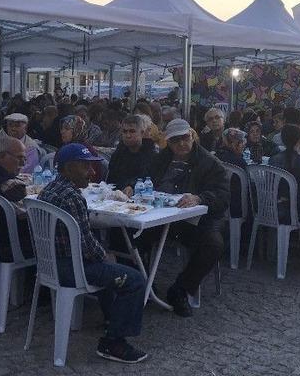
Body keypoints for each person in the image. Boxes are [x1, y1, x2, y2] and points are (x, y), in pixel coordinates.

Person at [38, 143, 148, 363]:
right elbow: (86, 245)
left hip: (49, 264)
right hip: (71, 268)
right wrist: (104, 255)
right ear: (68, 168)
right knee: (136, 279)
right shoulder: (73, 197)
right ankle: (114, 342)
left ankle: (112, 319)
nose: (92, 172)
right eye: (85, 167)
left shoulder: (48, 189)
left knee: (109, 266)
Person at [148, 119, 230, 318]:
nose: (181, 144)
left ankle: (181, 289)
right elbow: (146, 178)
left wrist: (200, 198)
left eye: (185, 138)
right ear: (168, 142)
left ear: (192, 136)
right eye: (175, 140)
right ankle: (142, 284)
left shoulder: (209, 163)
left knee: (213, 244)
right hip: (158, 215)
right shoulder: (160, 159)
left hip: (196, 220)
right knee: (127, 232)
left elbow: (224, 194)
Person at [106, 115, 157, 196]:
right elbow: (111, 179)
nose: (128, 135)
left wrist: (132, 186)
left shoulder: (152, 155)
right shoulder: (118, 153)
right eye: (125, 131)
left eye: (132, 131)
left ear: (142, 133)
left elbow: (148, 177)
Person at [59, 115, 104, 182]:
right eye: (62, 128)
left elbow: (94, 177)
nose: (62, 132)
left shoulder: (86, 150)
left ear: (77, 130)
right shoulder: (65, 148)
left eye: (67, 129)